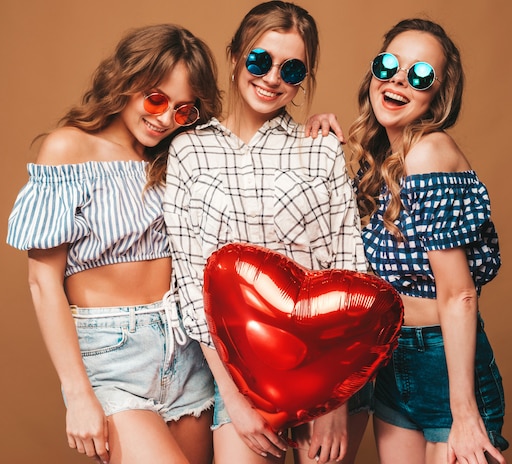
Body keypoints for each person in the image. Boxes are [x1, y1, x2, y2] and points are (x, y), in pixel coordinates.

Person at [163, 2, 371, 463]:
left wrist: (333, 400)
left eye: (290, 68)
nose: (272, 77)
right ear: (235, 55)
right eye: (260, 60)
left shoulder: (320, 150)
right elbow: (192, 287)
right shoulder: (188, 152)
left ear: (304, 78)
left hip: (329, 371)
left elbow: (349, 271)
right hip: (240, 381)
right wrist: (234, 401)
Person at [6, 24, 222, 464]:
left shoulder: (177, 156)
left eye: (182, 111)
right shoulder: (69, 148)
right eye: (156, 98)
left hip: (186, 350)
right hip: (112, 358)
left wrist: (316, 126)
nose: (164, 119)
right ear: (126, 81)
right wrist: (78, 394)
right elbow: (43, 284)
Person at [340, 18, 508, 464]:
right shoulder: (381, 159)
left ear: (438, 96)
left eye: (419, 75)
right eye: (390, 64)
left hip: (443, 363)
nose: (398, 79)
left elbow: (458, 293)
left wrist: (464, 411)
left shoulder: (430, 153)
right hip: (392, 360)